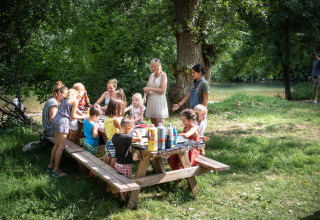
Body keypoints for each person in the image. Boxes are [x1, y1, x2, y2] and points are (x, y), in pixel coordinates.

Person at [48, 83, 87, 177]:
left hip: (56, 119)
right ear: (79, 91)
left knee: (57, 145)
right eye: (83, 92)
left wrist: (81, 114)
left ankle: (51, 165)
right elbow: (73, 116)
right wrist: (86, 116)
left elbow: (74, 109)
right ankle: (56, 170)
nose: (83, 94)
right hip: (62, 122)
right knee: (61, 147)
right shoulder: (75, 100)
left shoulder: (68, 96)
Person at [112, 117, 142, 200]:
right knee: (126, 184)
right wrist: (137, 132)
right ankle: (126, 199)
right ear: (128, 127)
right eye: (131, 130)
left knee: (119, 181)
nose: (130, 132)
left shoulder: (115, 136)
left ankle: (119, 196)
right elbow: (139, 139)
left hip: (118, 163)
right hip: (125, 164)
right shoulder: (126, 138)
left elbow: (124, 138)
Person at [143, 58, 169, 126]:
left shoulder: (163, 75)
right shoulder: (151, 75)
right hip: (151, 100)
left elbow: (162, 90)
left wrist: (150, 88)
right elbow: (147, 88)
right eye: (152, 66)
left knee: (159, 124)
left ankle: (161, 136)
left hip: (159, 100)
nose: (153, 68)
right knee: (153, 124)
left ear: (159, 66)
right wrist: (144, 97)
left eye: (155, 66)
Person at [104, 98, 125, 168]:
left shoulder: (107, 117)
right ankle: (112, 171)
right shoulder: (116, 121)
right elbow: (122, 131)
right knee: (114, 158)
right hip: (114, 144)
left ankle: (106, 170)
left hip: (108, 142)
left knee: (108, 157)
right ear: (117, 110)